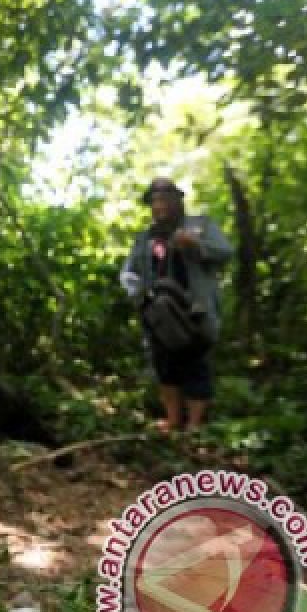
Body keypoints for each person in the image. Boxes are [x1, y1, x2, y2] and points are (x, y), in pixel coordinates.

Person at [120, 177, 233, 432]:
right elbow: (129, 272)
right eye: (155, 201)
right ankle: (173, 420)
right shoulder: (144, 238)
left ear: (177, 200)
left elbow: (225, 252)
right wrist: (139, 297)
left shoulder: (200, 225)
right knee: (164, 363)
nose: (160, 206)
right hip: (158, 311)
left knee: (196, 360)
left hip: (195, 307)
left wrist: (196, 245)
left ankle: (194, 425)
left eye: (165, 199)